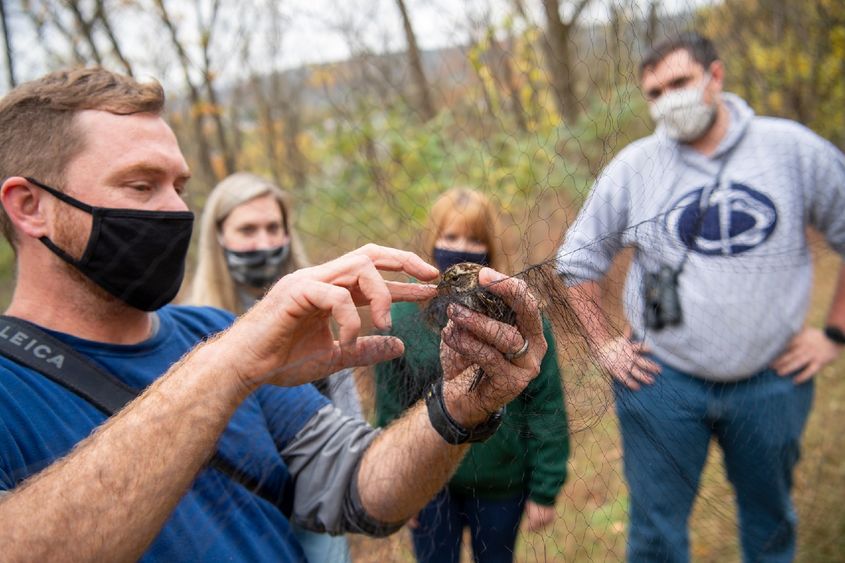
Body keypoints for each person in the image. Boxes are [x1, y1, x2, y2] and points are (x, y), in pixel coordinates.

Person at [0, 68, 549, 561]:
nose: (177, 210)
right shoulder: (19, 383)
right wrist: (231, 364)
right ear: (30, 206)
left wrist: (459, 406)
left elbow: (358, 485)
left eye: (180, 187)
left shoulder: (209, 332)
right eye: (141, 185)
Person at [557, 31, 845, 562]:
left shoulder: (793, 151)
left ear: (716, 77)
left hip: (771, 381)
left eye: (680, 82)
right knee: (655, 535)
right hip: (662, 382)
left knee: (771, 523)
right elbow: (576, 261)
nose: (669, 99)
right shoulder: (634, 166)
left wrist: (833, 333)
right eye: (655, 92)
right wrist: (602, 344)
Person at [376, 188, 569, 563]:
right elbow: (390, 407)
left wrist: (545, 487)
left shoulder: (518, 312)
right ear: (433, 242)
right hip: (427, 485)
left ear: (490, 247)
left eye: (475, 239)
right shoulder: (401, 317)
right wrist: (396, 481)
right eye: (451, 237)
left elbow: (546, 402)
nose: (462, 248)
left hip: (501, 484)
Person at [190, 171, 362, 560]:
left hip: (319, 507)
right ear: (219, 236)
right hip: (238, 513)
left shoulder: (320, 306)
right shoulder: (193, 326)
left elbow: (344, 396)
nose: (263, 243)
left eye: (273, 228)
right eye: (247, 230)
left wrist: (360, 473)